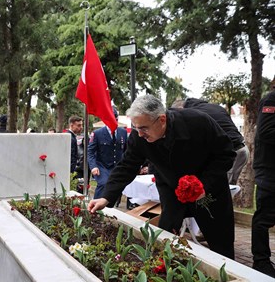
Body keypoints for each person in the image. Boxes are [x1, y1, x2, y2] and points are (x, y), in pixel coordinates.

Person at [88, 94, 237, 259]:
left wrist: (203, 184)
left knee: (221, 243)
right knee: (166, 239)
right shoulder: (139, 137)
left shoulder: (197, 122)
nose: (139, 134)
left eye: (144, 128)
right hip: (171, 189)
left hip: (209, 190)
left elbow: (226, 154)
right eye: (136, 128)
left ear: (162, 120)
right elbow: (126, 166)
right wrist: (105, 198)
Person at [172, 98, 249, 185]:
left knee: (220, 188)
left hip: (230, 153)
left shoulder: (192, 114)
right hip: (242, 149)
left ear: (181, 108)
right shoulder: (215, 107)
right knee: (228, 186)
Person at [251, 90, 275, 278]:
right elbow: (266, 132)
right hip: (269, 170)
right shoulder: (271, 99)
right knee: (264, 218)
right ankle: (261, 261)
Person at [87, 108, 127, 199]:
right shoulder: (97, 133)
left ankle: (109, 208)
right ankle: (95, 207)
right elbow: (91, 152)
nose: (113, 122)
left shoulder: (123, 132)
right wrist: (93, 166)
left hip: (116, 166)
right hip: (102, 166)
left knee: (116, 187)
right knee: (104, 183)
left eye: (115, 119)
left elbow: (126, 150)